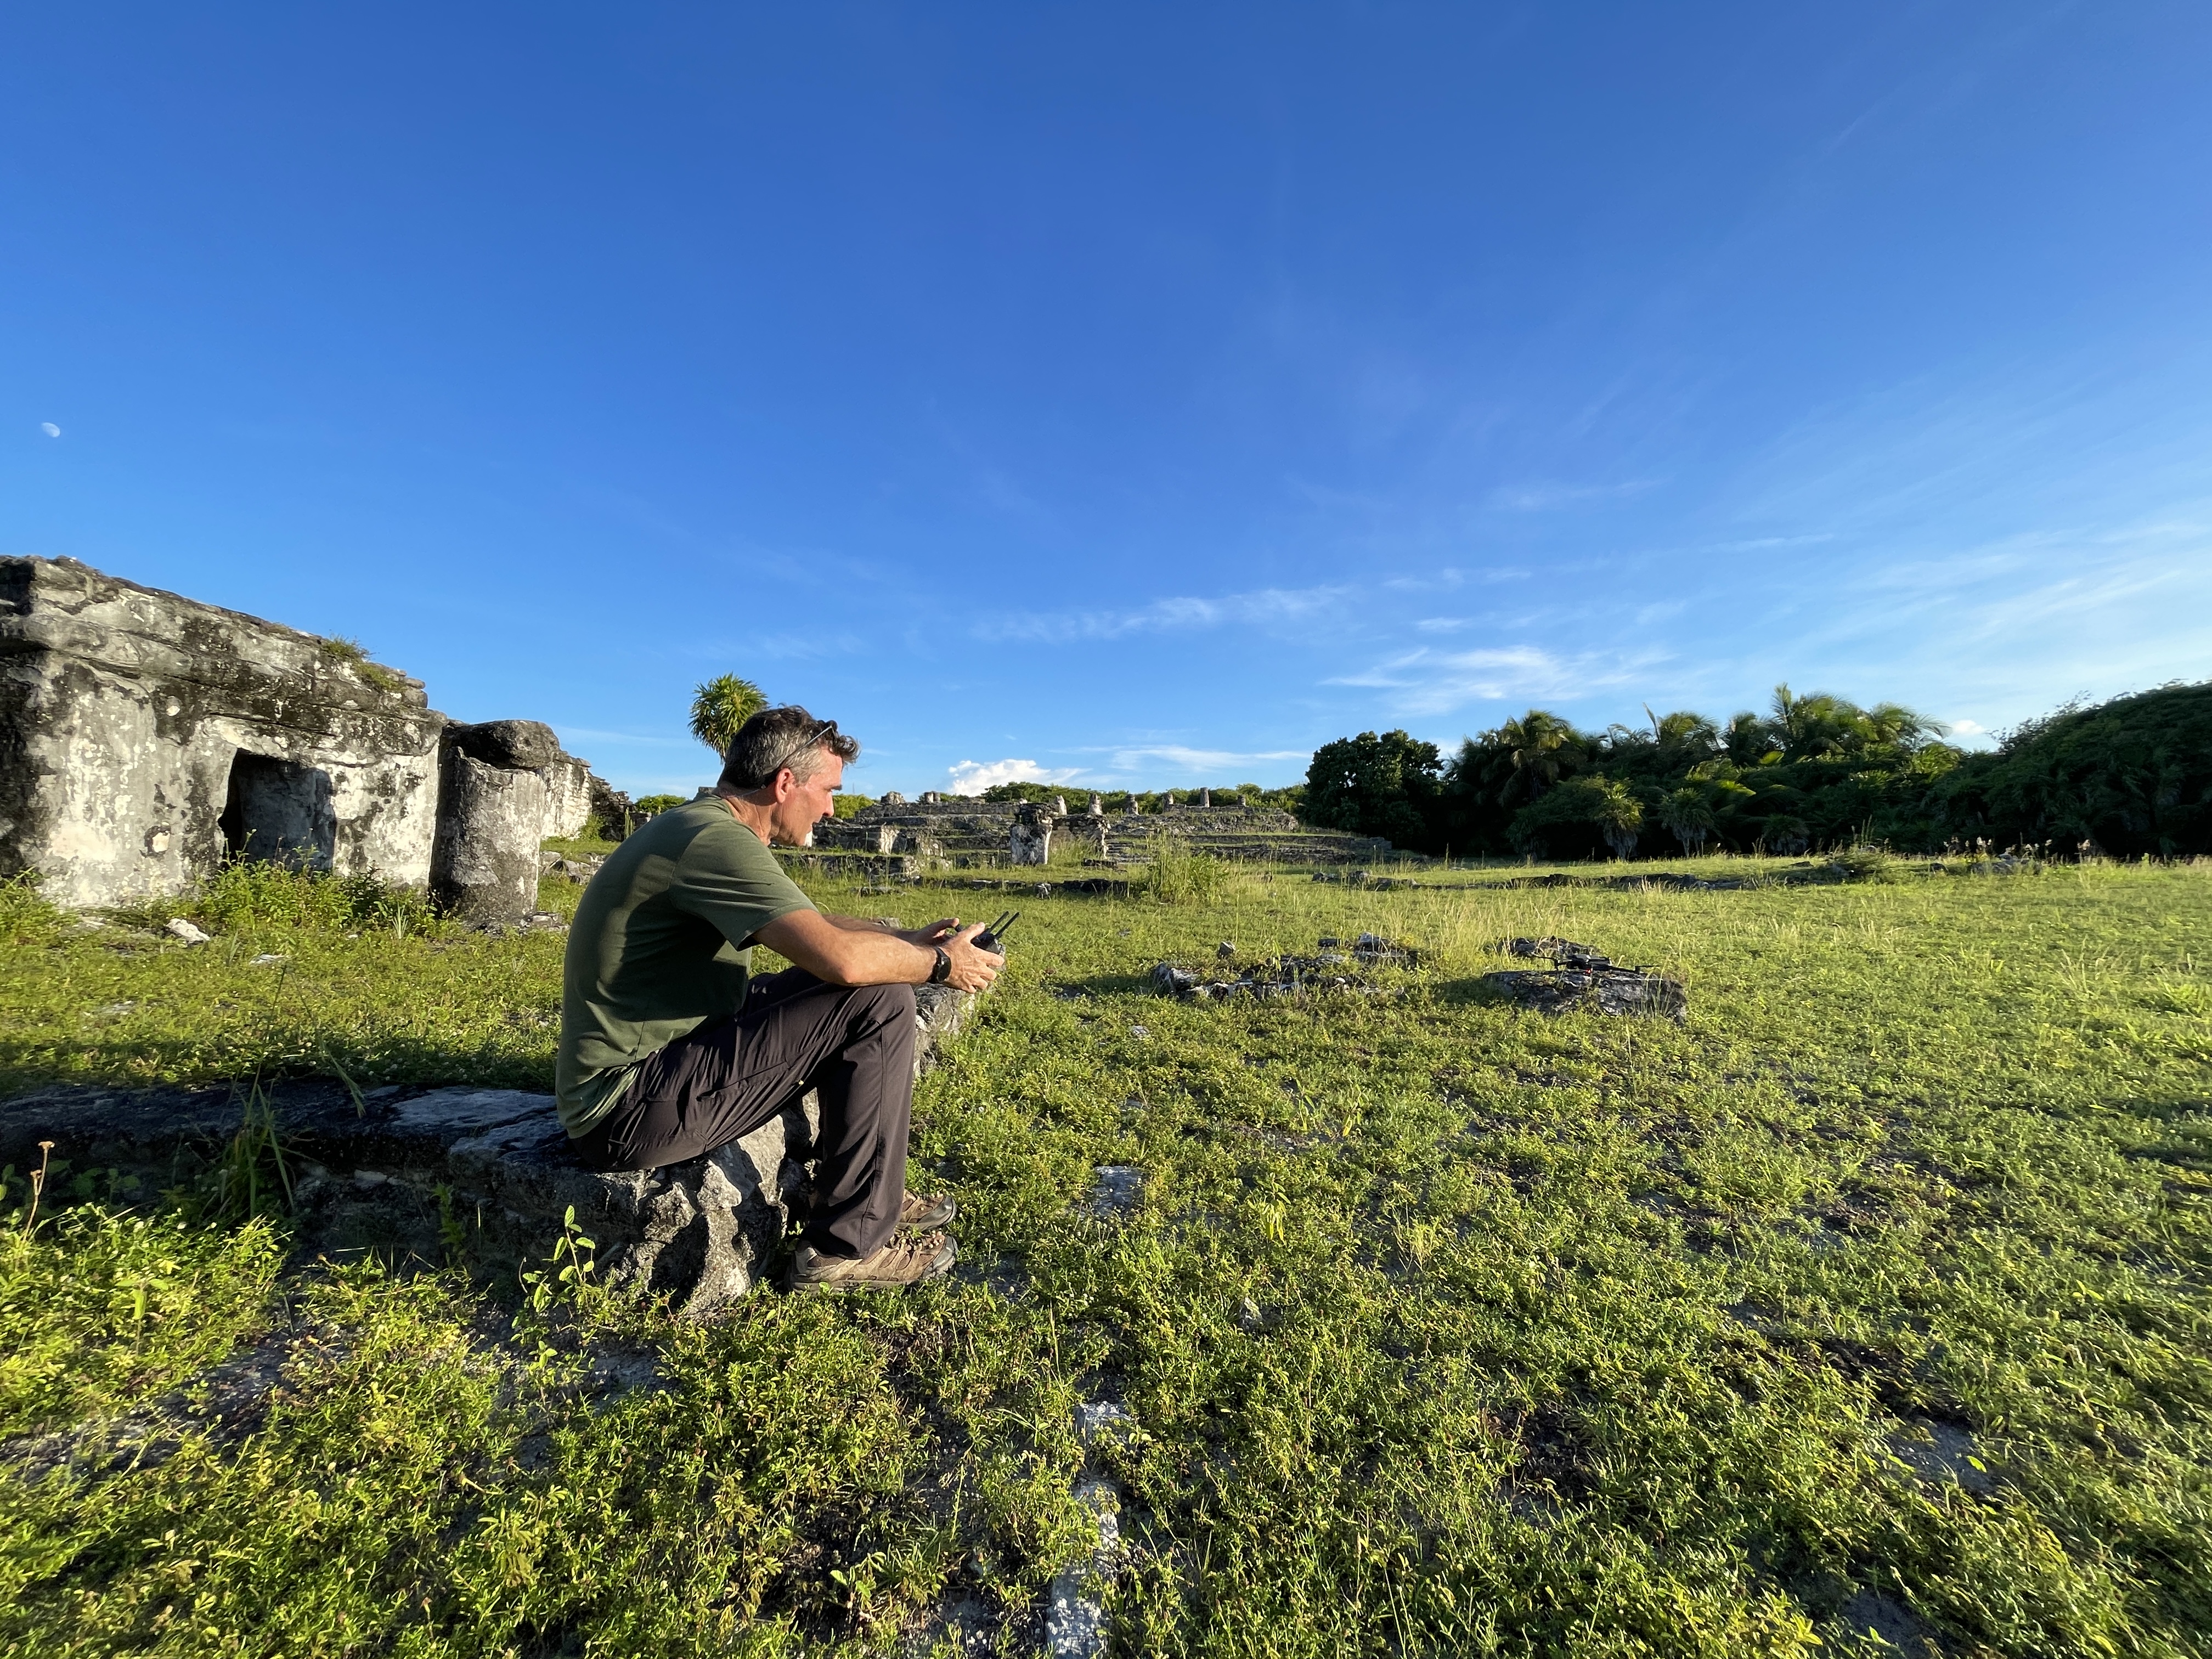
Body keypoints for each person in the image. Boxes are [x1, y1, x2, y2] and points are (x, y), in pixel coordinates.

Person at [556, 704, 1002, 1291]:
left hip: (666, 1060)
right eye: (828, 790)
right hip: (628, 1107)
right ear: (785, 783)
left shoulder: (703, 826)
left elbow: (808, 922)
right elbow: (840, 958)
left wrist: (899, 940)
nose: (832, 807)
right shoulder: (715, 841)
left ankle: (859, 1187)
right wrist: (941, 963)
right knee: (878, 997)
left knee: (865, 983)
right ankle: (846, 1246)